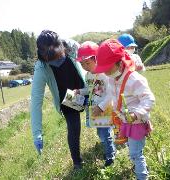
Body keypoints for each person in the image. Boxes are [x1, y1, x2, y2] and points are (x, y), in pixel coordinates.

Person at [93, 39, 155, 180]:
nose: (106, 73)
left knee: (135, 153)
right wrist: (101, 107)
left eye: (108, 69)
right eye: (104, 70)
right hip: (124, 121)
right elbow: (109, 95)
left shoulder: (135, 80)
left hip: (136, 122)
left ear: (120, 63)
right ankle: (137, 165)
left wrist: (135, 114)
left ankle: (142, 176)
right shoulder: (112, 79)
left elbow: (149, 99)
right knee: (132, 149)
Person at [31, 30, 86, 170]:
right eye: (53, 60)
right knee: (74, 128)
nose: (58, 62)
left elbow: (91, 61)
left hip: (85, 87)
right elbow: (36, 102)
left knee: (101, 113)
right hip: (67, 97)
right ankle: (77, 163)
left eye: (59, 57)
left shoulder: (72, 47)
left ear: (62, 47)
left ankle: (111, 139)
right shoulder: (41, 67)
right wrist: (37, 133)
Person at [74, 41, 116, 167]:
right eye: (82, 64)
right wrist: (79, 91)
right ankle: (109, 149)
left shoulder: (104, 74)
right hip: (94, 109)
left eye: (87, 62)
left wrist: (101, 106)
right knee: (100, 133)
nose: (85, 66)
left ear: (96, 58)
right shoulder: (88, 75)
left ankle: (110, 156)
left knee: (104, 134)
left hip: (104, 108)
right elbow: (89, 89)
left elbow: (111, 94)